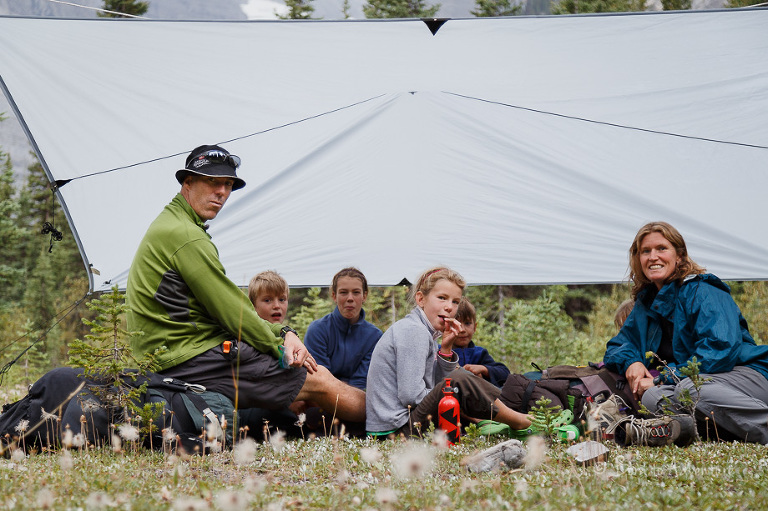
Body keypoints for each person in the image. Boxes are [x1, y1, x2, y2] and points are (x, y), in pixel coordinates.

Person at [126, 144, 365, 424]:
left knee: (301, 391)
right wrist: (280, 339)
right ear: (188, 182)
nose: (222, 193)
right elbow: (234, 314)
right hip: (188, 356)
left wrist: (283, 330)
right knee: (318, 380)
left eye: (227, 185)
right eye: (213, 183)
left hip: (173, 353)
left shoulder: (170, 225)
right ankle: (394, 424)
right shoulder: (185, 236)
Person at [603, 221, 768, 444]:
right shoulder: (647, 303)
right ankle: (724, 434)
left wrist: (663, 377)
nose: (653, 257)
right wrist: (631, 361)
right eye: (645, 251)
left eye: (662, 248)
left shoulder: (704, 291)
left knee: (688, 388)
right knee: (652, 397)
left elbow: (720, 351)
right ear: (638, 259)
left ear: (679, 256)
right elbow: (618, 345)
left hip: (749, 375)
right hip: (704, 385)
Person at [366, 266, 531, 437]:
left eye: (455, 301)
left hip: (404, 424)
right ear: (421, 299)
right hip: (396, 430)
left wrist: (445, 349)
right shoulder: (414, 331)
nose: (449, 307)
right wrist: (456, 390)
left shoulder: (424, 331)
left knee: (458, 379)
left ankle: (515, 415)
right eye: (442, 298)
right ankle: (518, 420)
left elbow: (434, 386)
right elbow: (411, 397)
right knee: (459, 379)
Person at [304, 267, 383, 390]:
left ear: (364, 296)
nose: (350, 298)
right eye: (343, 292)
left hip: (357, 400)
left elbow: (362, 381)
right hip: (319, 400)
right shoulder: (317, 330)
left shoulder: (375, 337)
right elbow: (320, 379)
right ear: (334, 296)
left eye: (356, 292)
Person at [453, 298, 510, 388]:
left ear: (475, 327)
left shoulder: (479, 353)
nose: (462, 330)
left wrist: (484, 369)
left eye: (467, 323)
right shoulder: (440, 352)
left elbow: (505, 373)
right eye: (457, 324)